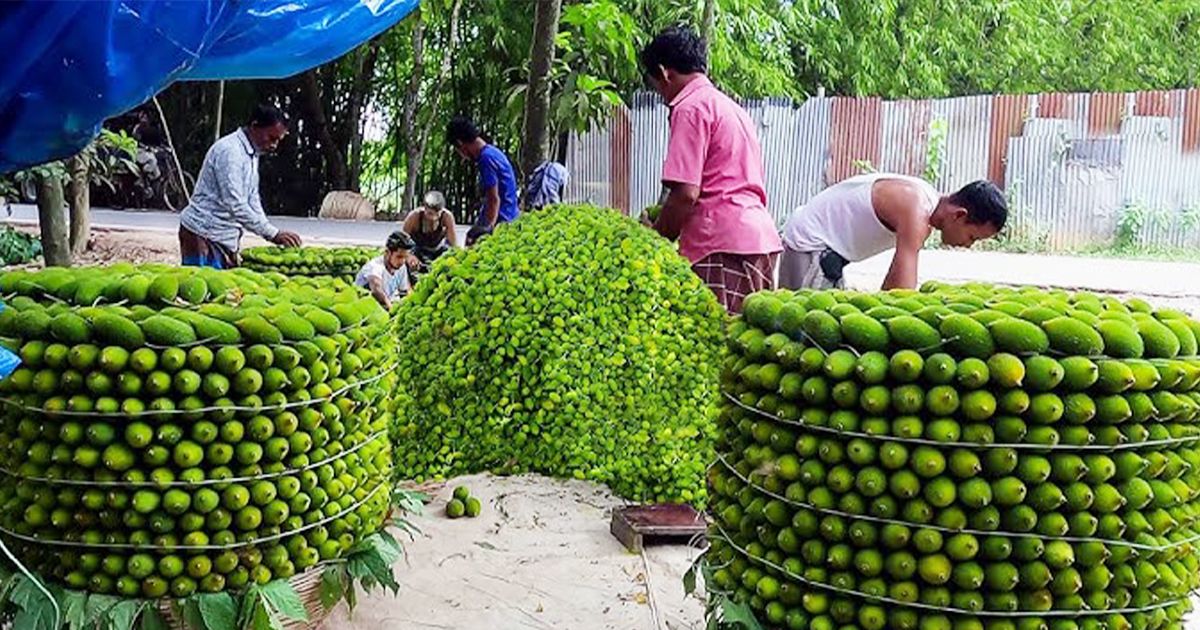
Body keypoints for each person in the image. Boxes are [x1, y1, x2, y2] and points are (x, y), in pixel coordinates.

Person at [640, 26, 782, 314]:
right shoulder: (731, 108)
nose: (662, 96)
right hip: (759, 240)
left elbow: (685, 193)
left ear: (664, 73)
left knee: (715, 343)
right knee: (745, 346)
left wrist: (654, 239)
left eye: (657, 87)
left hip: (720, 245)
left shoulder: (690, 108)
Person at [779, 174, 1008, 290]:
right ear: (959, 215)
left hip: (829, 251)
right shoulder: (916, 209)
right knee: (805, 331)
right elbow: (900, 294)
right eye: (972, 237)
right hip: (811, 242)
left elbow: (894, 280)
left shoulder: (925, 202)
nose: (968, 245)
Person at [179, 104, 302, 268]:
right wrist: (272, 234)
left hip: (225, 237)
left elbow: (252, 198)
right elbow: (235, 203)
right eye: (271, 138)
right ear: (255, 126)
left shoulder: (251, 153)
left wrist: (268, 229)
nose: (274, 145)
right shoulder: (231, 152)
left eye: (278, 140)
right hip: (203, 233)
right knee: (202, 287)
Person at [446, 116, 518, 245]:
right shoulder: (493, 152)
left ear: (460, 143)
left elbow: (493, 199)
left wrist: (488, 229)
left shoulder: (485, 159)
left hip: (502, 218)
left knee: (471, 243)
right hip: (511, 214)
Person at [356, 231, 415, 310]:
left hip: (385, 306)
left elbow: (405, 291)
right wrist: (392, 310)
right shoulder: (374, 267)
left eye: (405, 257)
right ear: (387, 252)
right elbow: (376, 290)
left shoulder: (401, 267)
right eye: (399, 257)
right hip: (366, 308)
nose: (402, 261)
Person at [402, 190, 458, 265]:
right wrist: (409, 256)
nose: (433, 218)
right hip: (417, 250)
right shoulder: (414, 217)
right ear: (424, 208)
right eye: (430, 214)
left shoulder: (447, 217)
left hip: (438, 250)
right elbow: (401, 242)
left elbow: (453, 245)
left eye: (437, 214)